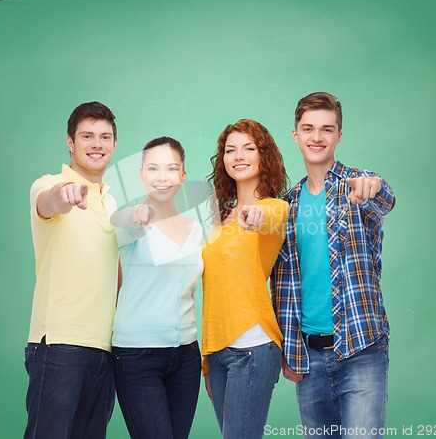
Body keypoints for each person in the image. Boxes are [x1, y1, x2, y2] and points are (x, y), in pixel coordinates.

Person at [271, 92, 396, 439]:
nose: (317, 137)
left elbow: (385, 198)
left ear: (339, 136)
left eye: (327, 129)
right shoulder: (288, 206)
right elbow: (283, 286)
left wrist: (374, 186)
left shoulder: (357, 184)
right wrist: (289, 350)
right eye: (308, 129)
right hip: (308, 357)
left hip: (361, 348)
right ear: (295, 134)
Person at [24, 102, 119, 439]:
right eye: (87, 136)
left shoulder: (114, 201)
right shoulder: (49, 183)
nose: (97, 144)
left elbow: (115, 270)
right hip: (60, 344)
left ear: (114, 145)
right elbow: (49, 203)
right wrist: (63, 196)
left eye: (104, 136)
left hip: (105, 349)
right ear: (70, 142)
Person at [110, 137, 203, 439]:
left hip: (186, 357)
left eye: (171, 169)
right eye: (152, 168)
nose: (162, 177)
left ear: (183, 176)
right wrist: (137, 215)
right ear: (140, 175)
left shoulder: (197, 230)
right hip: (137, 357)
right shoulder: (130, 224)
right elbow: (121, 222)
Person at [202, 119, 289, 439]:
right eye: (230, 150)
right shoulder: (217, 216)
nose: (238, 155)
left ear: (264, 156)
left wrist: (254, 215)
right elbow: (213, 289)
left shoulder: (275, 208)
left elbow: (269, 218)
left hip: (253, 348)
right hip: (218, 352)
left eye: (249, 148)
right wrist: (208, 360)